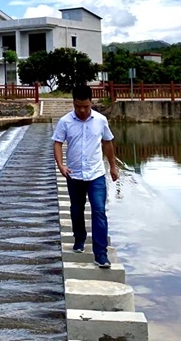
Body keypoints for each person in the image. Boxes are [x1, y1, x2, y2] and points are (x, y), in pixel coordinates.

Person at [52, 83, 118, 268]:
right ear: (73, 103)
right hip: (74, 174)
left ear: (91, 102)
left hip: (96, 174)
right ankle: (79, 238)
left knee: (98, 210)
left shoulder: (100, 120)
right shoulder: (65, 121)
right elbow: (57, 143)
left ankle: (101, 254)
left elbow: (107, 143)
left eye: (86, 106)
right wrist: (61, 166)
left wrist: (113, 167)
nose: (82, 110)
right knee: (76, 209)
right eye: (78, 106)